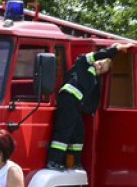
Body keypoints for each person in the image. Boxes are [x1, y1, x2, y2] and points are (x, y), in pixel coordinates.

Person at [46, 42, 132, 171]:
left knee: (79, 133)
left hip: (74, 105)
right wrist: (115, 49)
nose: (100, 67)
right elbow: (98, 55)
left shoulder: (95, 81)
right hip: (67, 99)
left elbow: (93, 100)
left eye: (103, 69)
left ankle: (73, 162)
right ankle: (53, 161)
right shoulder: (82, 62)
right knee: (64, 131)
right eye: (101, 63)